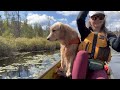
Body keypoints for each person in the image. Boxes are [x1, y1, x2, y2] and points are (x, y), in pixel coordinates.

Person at [72, 11, 120, 79]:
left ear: (104, 19)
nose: (97, 19)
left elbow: (117, 46)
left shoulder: (108, 35)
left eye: (101, 17)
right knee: (81, 54)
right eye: (94, 17)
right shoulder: (85, 32)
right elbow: (79, 19)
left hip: (98, 68)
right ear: (90, 19)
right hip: (82, 66)